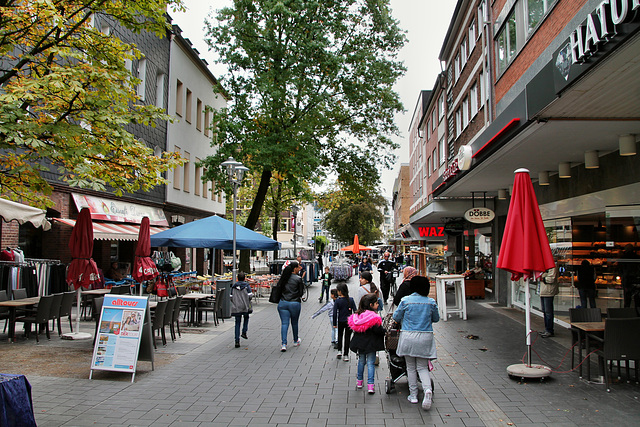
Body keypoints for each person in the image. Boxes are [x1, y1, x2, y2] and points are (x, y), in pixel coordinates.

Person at [392, 276, 439, 411]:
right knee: (422, 367)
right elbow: (436, 319)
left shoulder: (405, 301)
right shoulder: (431, 302)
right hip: (425, 338)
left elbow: (396, 317)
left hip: (408, 337)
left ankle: (413, 396)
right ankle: (427, 390)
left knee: (410, 367)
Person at [348, 294, 385, 394]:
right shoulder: (374, 317)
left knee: (361, 361)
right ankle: (370, 385)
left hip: (360, 344)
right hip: (371, 344)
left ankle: (359, 382)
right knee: (370, 363)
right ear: (371, 305)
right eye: (376, 303)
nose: (378, 305)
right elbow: (379, 330)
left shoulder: (357, 316)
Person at [277, 261, 305, 352]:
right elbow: (301, 293)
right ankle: (295, 340)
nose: (300, 268)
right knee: (294, 322)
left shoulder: (284, 277)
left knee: (284, 323)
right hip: (294, 303)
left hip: (283, 302)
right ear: (294, 268)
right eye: (298, 267)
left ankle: (284, 344)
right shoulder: (298, 279)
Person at [333, 282, 357, 361]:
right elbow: (355, 311)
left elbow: (334, 313)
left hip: (340, 321)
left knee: (340, 335)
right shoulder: (350, 300)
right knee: (347, 338)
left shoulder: (337, 301)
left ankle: (339, 350)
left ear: (340, 291)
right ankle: (346, 354)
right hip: (349, 322)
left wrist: (334, 323)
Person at [230, 271, 253, 348]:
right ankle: (244, 331)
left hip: (237, 307)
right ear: (244, 278)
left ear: (237, 278)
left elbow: (231, 296)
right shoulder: (247, 286)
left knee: (237, 322)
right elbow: (250, 295)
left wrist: (235, 302)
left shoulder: (233, 287)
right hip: (245, 306)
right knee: (246, 317)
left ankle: (237, 340)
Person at [539, 264, 558, 338]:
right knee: (545, 310)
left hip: (548, 291)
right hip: (542, 291)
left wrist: (542, 278)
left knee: (548, 311)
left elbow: (551, 278)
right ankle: (547, 328)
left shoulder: (552, 266)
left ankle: (549, 330)